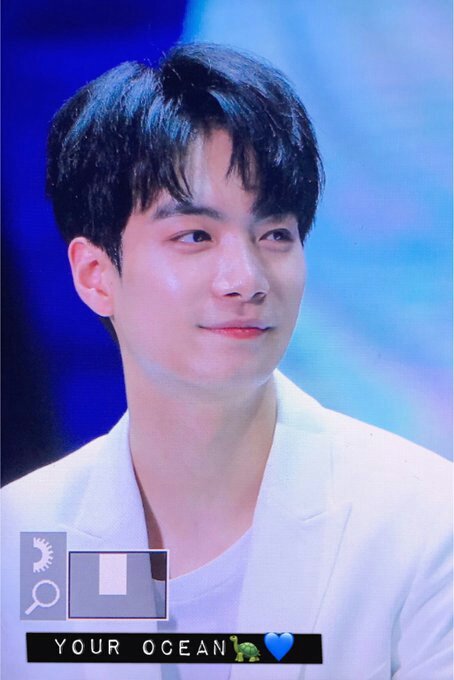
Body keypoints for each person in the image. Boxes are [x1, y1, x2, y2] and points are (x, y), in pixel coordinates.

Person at [1, 43, 451, 680]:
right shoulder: (26, 539)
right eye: (195, 236)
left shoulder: (422, 523)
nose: (246, 279)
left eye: (274, 235)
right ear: (95, 275)